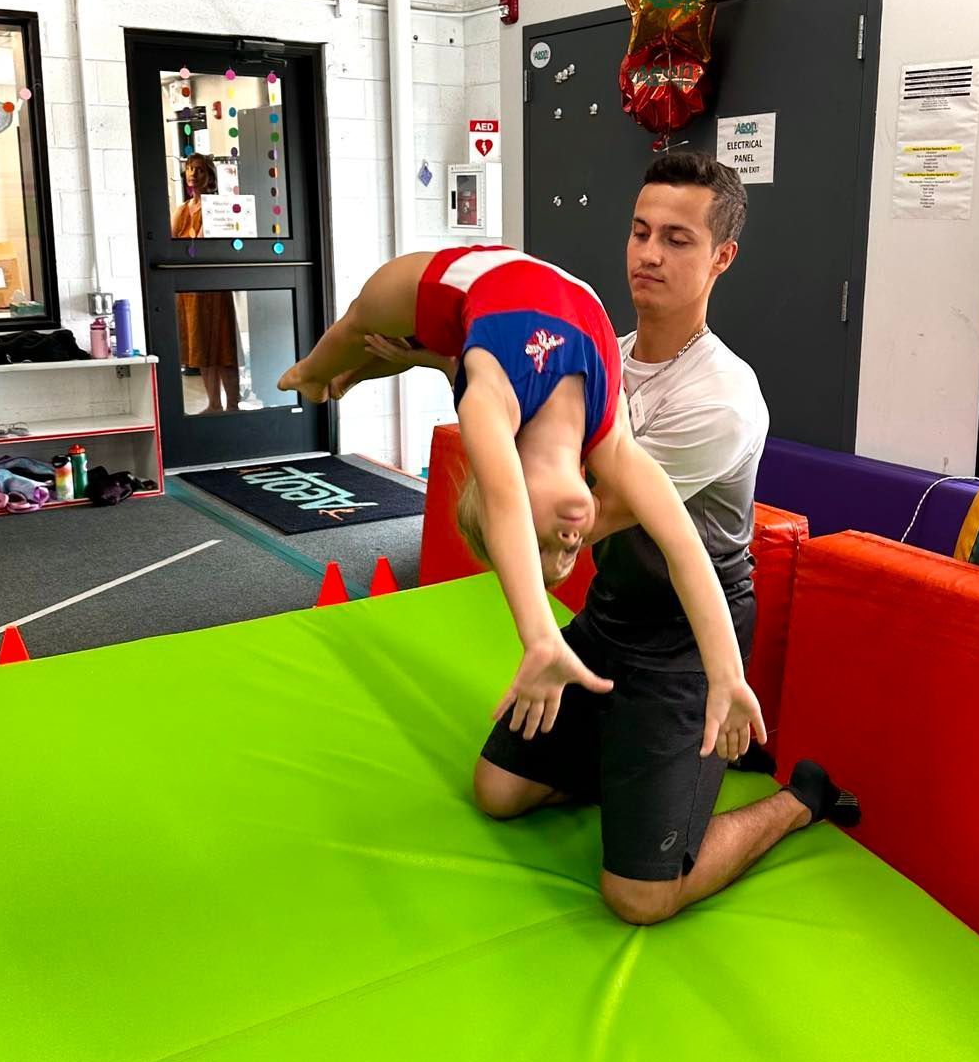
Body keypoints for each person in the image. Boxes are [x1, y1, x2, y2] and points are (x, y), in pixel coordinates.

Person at [469, 152, 858, 926]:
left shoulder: (721, 397)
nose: (648, 254)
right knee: (498, 791)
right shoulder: (602, 355)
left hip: (687, 640)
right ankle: (631, 761)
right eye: (641, 232)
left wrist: (509, 479)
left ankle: (798, 801)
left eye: (677, 239)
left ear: (722, 257)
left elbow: (583, 522)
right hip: (614, 613)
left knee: (641, 896)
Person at [278, 245, 766, 762]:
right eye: (572, 550)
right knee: (415, 351)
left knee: (359, 324)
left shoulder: (490, 404)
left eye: (547, 544)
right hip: (515, 309)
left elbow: (506, 500)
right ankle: (349, 376)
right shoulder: (610, 437)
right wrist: (727, 673)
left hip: (457, 281)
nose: (572, 538)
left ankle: (315, 374)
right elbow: (685, 549)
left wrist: (539, 637)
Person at [172, 154, 239, 413]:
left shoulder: (218, 206)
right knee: (201, 347)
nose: (193, 174)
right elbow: (174, 241)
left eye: (199, 170)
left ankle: (232, 404)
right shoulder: (182, 208)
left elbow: (208, 243)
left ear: (209, 175)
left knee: (222, 345)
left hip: (214, 285)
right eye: (189, 169)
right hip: (191, 288)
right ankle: (214, 404)